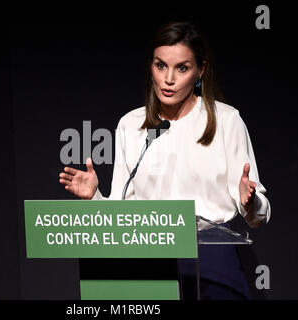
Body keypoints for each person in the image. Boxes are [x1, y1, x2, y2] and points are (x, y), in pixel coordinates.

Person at [58, 21, 270, 300]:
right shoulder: (131, 125)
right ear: (151, 66)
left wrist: (249, 200)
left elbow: (258, 215)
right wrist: (94, 197)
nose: (169, 79)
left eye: (182, 68)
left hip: (211, 260)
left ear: (200, 70)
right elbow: (123, 213)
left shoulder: (226, 121)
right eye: (161, 66)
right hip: (150, 258)